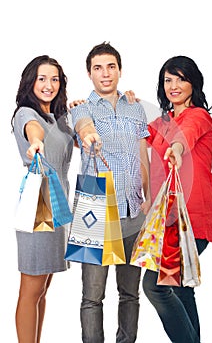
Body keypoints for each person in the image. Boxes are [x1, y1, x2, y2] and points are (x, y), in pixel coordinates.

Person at [70, 41, 151, 343]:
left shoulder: (136, 107)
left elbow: (143, 155)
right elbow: (82, 126)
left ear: (120, 69)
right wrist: (90, 134)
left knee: (130, 294)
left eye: (111, 66)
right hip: (94, 212)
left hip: (132, 211)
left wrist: (149, 198)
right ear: (89, 74)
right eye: (98, 68)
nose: (105, 74)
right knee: (92, 296)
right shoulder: (80, 107)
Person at [141, 56, 212, 343]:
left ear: (193, 83)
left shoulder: (198, 116)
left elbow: (185, 137)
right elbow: (133, 133)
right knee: (182, 289)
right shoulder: (162, 121)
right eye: (168, 79)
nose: (174, 85)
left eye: (180, 78)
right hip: (168, 218)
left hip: (191, 218)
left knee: (156, 286)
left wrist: (175, 149)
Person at [11, 55, 74, 342]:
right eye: (42, 78)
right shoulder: (27, 113)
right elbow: (31, 129)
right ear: (31, 82)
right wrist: (36, 141)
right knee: (31, 289)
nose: (49, 85)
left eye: (54, 79)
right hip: (39, 208)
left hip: (57, 206)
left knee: (43, 289)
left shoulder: (56, 118)